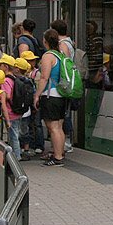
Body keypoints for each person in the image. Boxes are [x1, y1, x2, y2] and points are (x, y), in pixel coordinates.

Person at [33, 29, 67, 166]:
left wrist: (37, 95)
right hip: (61, 94)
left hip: (50, 94)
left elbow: (44, 77)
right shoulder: (60, 55)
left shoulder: (48, 56)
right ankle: (60, 152)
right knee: (59, 126)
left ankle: (57, 157)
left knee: (52, 127)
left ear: (45, 41)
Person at [51, 19, 75, 153]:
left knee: (63, 116)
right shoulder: (70, 42)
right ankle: (64, 142)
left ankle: (65, 143)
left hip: (63, 83)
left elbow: (64, 64)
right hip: (67, 81)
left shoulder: (62, 45)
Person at [22, 50, 45, 155]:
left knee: (37, 123)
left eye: (33, 60)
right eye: (30, 60)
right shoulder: (22, 73)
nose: (33, 62)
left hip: (35, 101)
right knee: (28, 124)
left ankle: (39, 145)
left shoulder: (37, 73)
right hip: (26, 102)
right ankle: (29, 144)